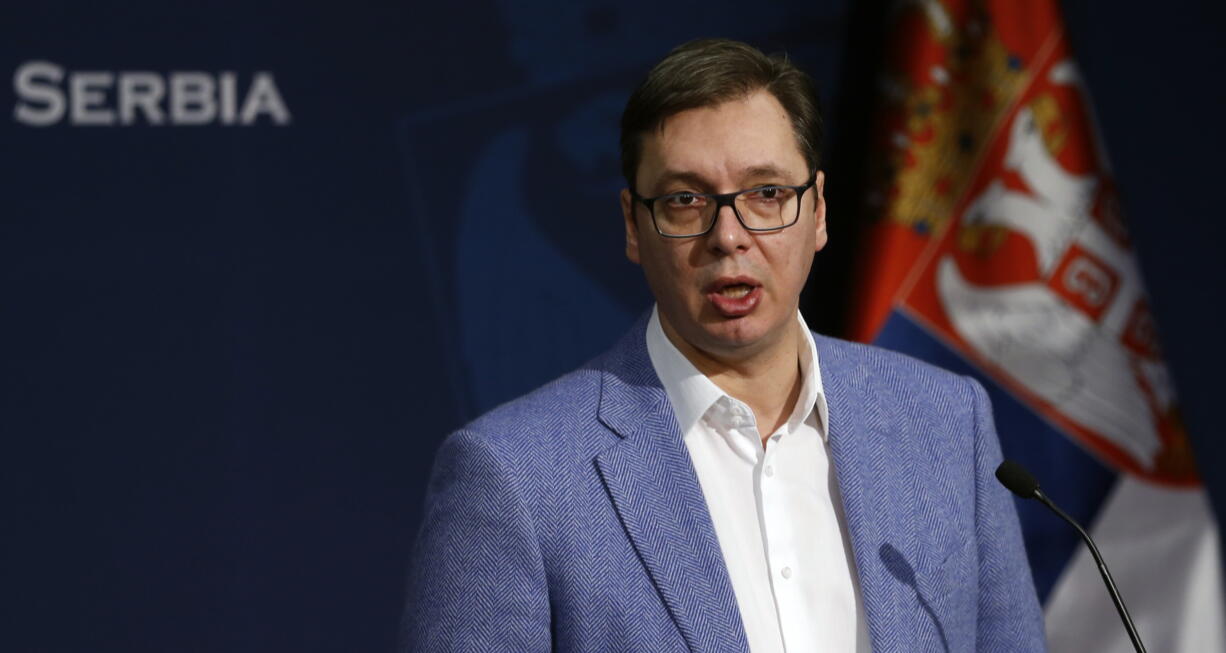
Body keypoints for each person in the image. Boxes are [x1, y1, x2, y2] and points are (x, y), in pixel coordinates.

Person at [401, 39, 1045, 652]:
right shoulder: (515, 476)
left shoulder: (945, 420)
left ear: (818, 211)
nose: (728, 235)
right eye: (685, 200)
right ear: (634, 225)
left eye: (766, 194)